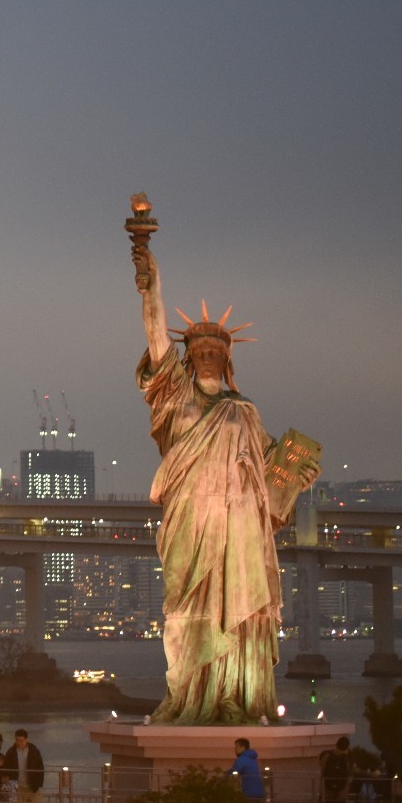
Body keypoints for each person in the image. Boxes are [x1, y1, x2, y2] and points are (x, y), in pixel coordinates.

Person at [127, 198, 320, 725]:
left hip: (238, 525)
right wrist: (147, 264)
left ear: (227, 358)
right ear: (187, 357)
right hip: (191, 517)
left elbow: (269, 479)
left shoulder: (244, 412)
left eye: (216, 347)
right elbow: (153, 326)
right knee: (185, 609)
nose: (207, 351)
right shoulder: (176, 397)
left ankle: (236, 694)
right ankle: (186, 694)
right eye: (198, 347)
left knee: (238, 607)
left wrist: (297, 474)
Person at [7, 729, 46, 803]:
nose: (19, 743)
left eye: (21, 740)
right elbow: (7, 767)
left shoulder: (34, 751)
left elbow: (40, 767)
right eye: (17, 740)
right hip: (19, 787)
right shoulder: (11, 752)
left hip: (33, 787)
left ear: (26, 739)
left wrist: (38, 783)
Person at [319, 736, 353, 803]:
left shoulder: (326, 755)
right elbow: (350, 773)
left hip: (326, 793)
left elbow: (322, 769)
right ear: (346, 747)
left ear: (336, 744)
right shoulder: (347, 759)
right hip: (340, 795)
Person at [230, 738, 266, 803]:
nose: (235, 749)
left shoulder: (242, 759)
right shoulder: (252, 759)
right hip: (258, 793)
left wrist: (223, 777)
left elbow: (234, 772)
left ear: (243, 747)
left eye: (236, 746)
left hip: (249, 794)